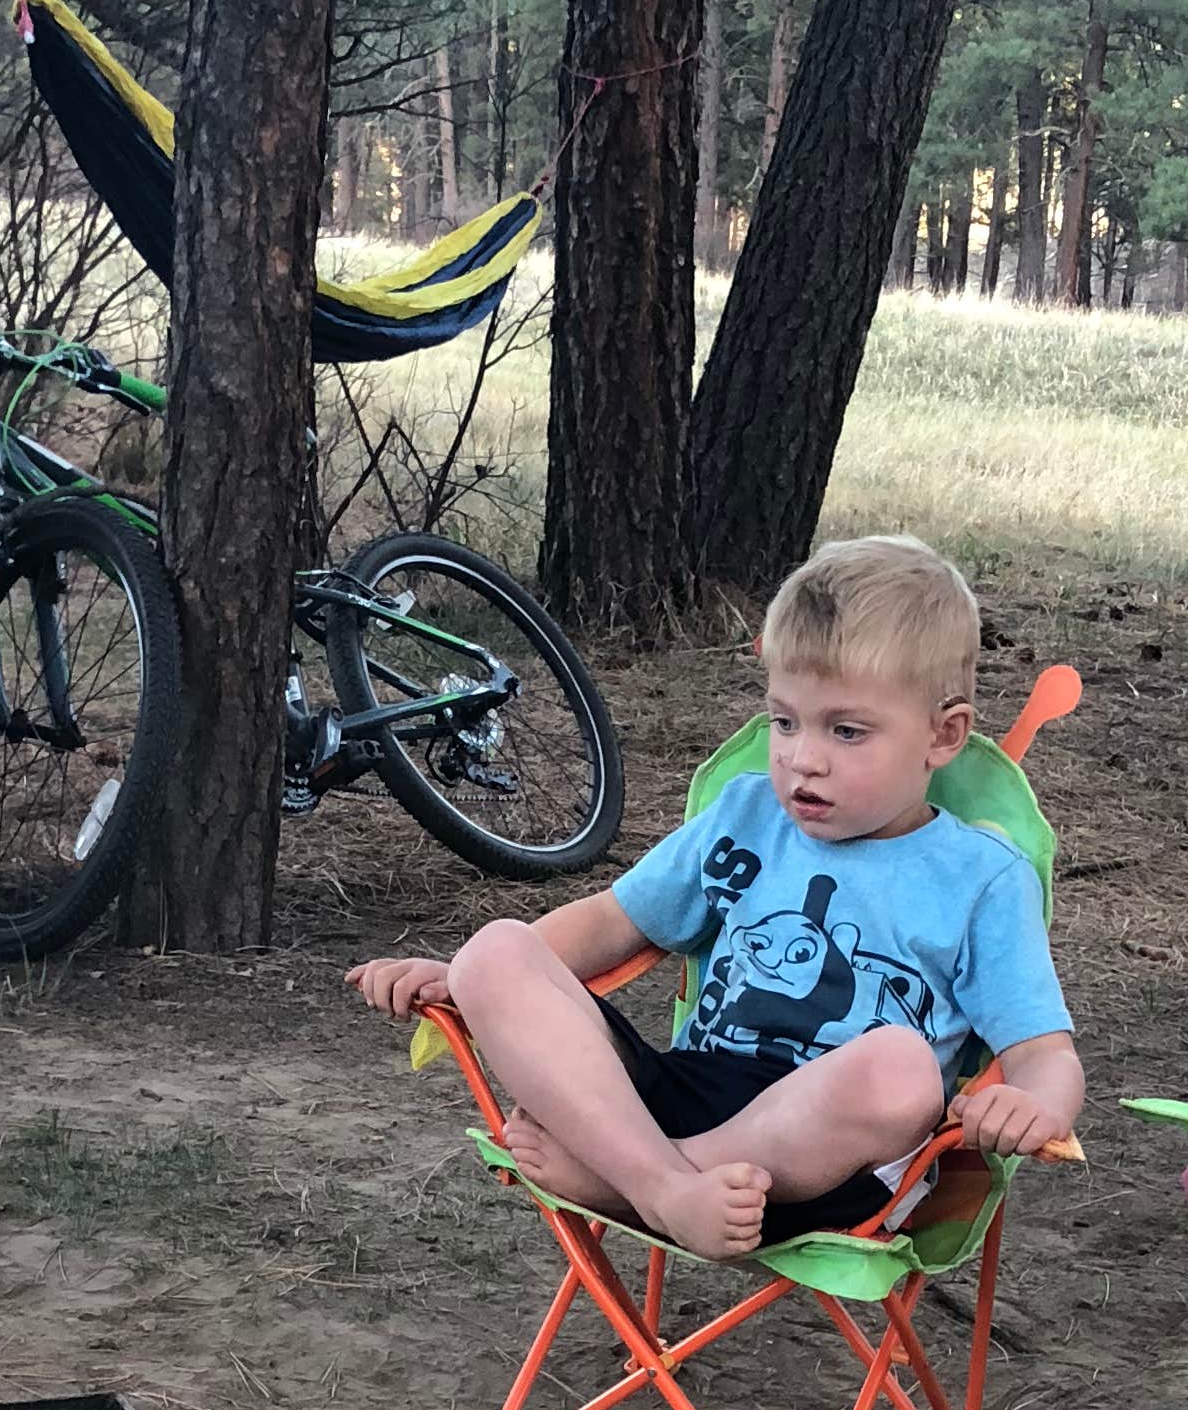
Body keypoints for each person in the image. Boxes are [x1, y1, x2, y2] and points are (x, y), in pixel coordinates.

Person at [347, 534, 1084, 1259]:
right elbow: (613, 919)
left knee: (900, 1067)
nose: (803, 758)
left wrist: (1035, 1103)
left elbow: (1044, 1051)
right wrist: (466, 978)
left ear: (943, 735)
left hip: (830, 1167)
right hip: (685, 1094)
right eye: (785, 721)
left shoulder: (982, 876)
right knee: (500, 948)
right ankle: (664, 1184)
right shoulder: (746, 816)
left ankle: (637, 1178)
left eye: (847, 731)